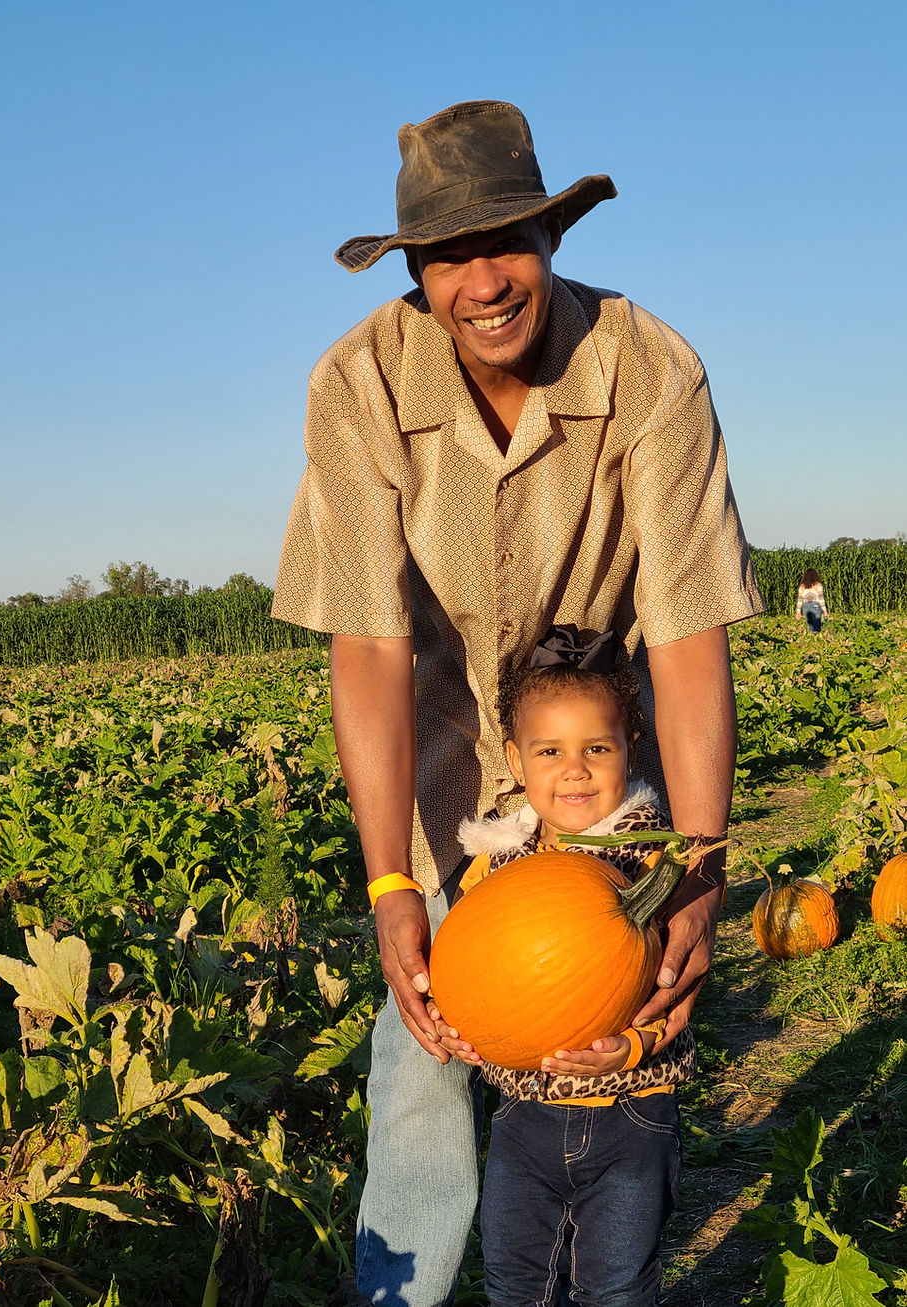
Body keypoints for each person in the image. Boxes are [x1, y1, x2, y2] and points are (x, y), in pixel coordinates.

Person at [272, 99, 763, 1306]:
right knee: (423, 1063)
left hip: (596, 747)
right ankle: (409, 1291)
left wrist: (696, 864)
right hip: (441, 756)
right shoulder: (356, 385)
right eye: (447, 255)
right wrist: (391, 881)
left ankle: (605, 1256)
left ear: (551, 235)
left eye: (507, 242)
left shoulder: (648, 368)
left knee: (618, 1011)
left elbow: (689, 631)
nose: (481, 281)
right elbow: (369, 649)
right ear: (417, 271)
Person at [443, 624, 693, 1305]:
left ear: (630, 752)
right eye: (551, 750)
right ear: (518, 761)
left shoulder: (648, 859)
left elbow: (675, 983)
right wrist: (453, 1019)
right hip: (522, 1117)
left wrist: (635, 1045)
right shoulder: (498, 862)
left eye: (596, 748)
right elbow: (470, 961)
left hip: (630, 1115)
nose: (574, 768)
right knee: (515, 1282)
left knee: (615, 1286)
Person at [796, 568, 829, 633]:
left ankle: (812, 637)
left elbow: (799, 600)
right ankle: (817, 639)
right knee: (817, 625)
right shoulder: (817, 585)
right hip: (816, 605)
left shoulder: (802, 586)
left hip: (805, 606)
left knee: (810, 625)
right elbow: (821, 598)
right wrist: (825, 610)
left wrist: (798, 611)